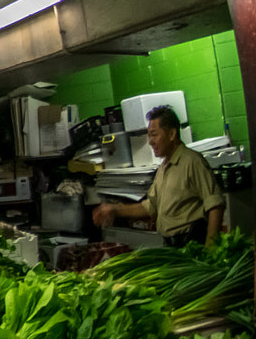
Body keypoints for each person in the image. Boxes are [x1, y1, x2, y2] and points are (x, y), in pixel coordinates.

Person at [94, 105, 225, 247]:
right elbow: (150, 206)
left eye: (154, 135)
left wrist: (210, 248)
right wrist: (115, 209)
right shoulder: (163, 167)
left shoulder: (193, 162)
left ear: (171, 134)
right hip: (171, 246)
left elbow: (215, 206)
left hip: (191, 243)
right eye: (149, 136)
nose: (150, 142)